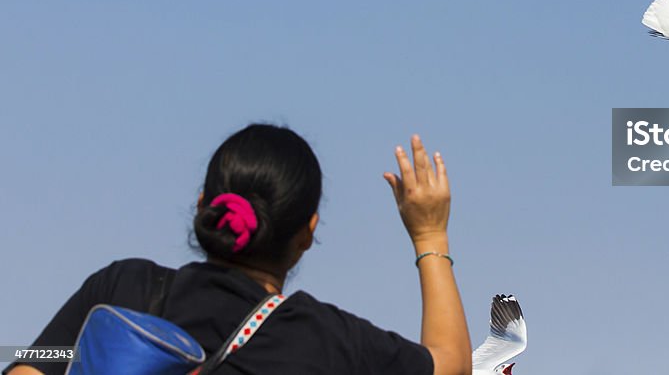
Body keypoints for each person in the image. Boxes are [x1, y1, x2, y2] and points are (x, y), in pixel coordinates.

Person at [5, 124, 472, 375]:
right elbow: (449, 366)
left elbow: (35, 366)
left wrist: (58, 354)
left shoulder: (122, 286)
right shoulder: (326, 340)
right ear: (306, 235)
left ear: (204, 207)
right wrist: (429, 236)